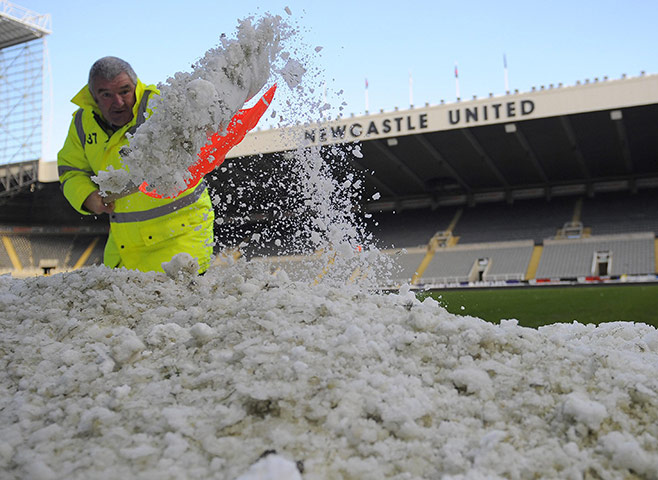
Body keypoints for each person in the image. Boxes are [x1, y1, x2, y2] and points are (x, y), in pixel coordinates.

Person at [57, 56, 215, 273]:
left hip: (181, 239)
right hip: (123, 248)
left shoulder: (161, 105)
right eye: (106, 95)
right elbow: (70, 170)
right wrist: (86, 197)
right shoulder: (81, 124)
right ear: (93, 97)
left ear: (135, 85)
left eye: (124, 91)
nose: (119, 102)